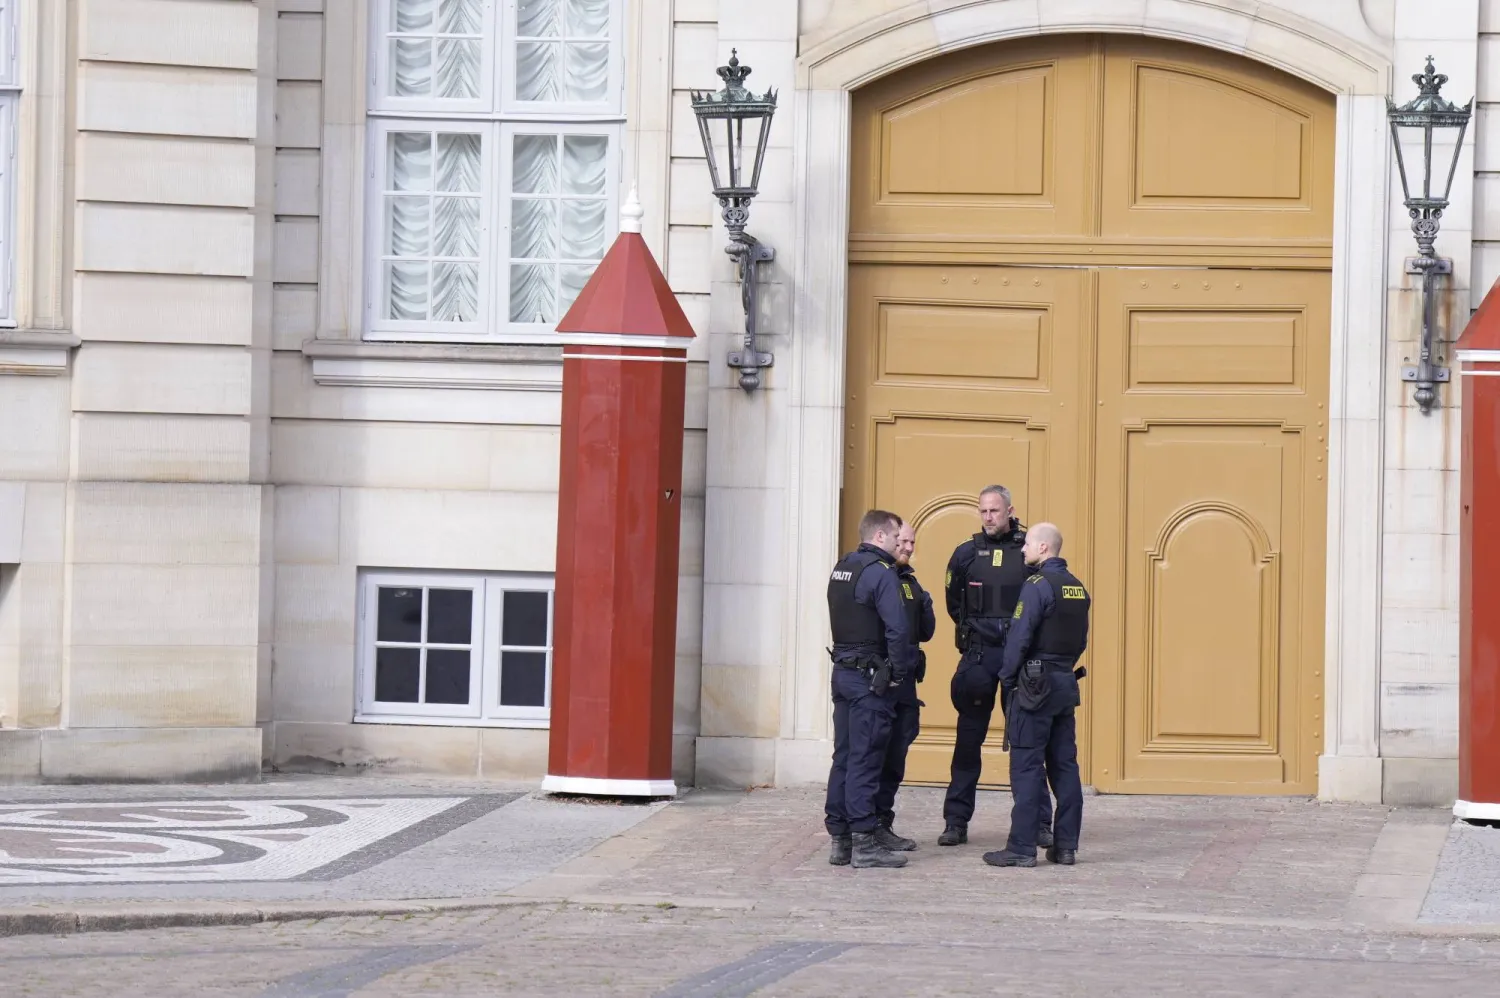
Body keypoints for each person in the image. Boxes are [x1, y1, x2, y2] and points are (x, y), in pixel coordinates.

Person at [938, 486, 1053, 849]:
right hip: (979, 655)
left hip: (1019, 658)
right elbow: (954, 604)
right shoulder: (966, 553)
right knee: (968, 741)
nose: (989, 517)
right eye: (983, 511)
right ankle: (956, 822)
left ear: (1009, 510)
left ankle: (1037, 823)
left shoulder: (1029, 547)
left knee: (1027, 742)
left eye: (995, 511)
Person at [982, 522, 1090, 868]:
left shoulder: (1037, 586)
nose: (1023, 548)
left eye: (1028, 544)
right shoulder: (1077, 587)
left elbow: (1019, 637)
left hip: (1033, 687)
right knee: (1065, 766)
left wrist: (1007, 677)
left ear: (1044, 548)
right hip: (1063, 683)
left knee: (1027, 766)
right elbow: (1081, 641)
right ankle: (1066, 846)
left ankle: (1021, 848)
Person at [825, 509, 919, 869]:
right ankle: (864, 843)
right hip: (869, 679)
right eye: (897, 536)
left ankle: (840, 840)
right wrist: (896, 673)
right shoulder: (881, 575)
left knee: (844, 757)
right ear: (880, 536)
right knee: (866, 758)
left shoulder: (842, 568)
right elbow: (898, 630)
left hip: (843, 672)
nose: (900, 542)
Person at [870, 522, 936, 853]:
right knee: (873, 755)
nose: (908, 547)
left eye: (912, 542)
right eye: (903, 541)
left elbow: (926, 632)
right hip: (881, 682)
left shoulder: (910, 582)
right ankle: (864, 826)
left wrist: (926, 603)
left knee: (896, 755)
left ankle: (883, 822)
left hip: (906, 685)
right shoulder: (878, 576)